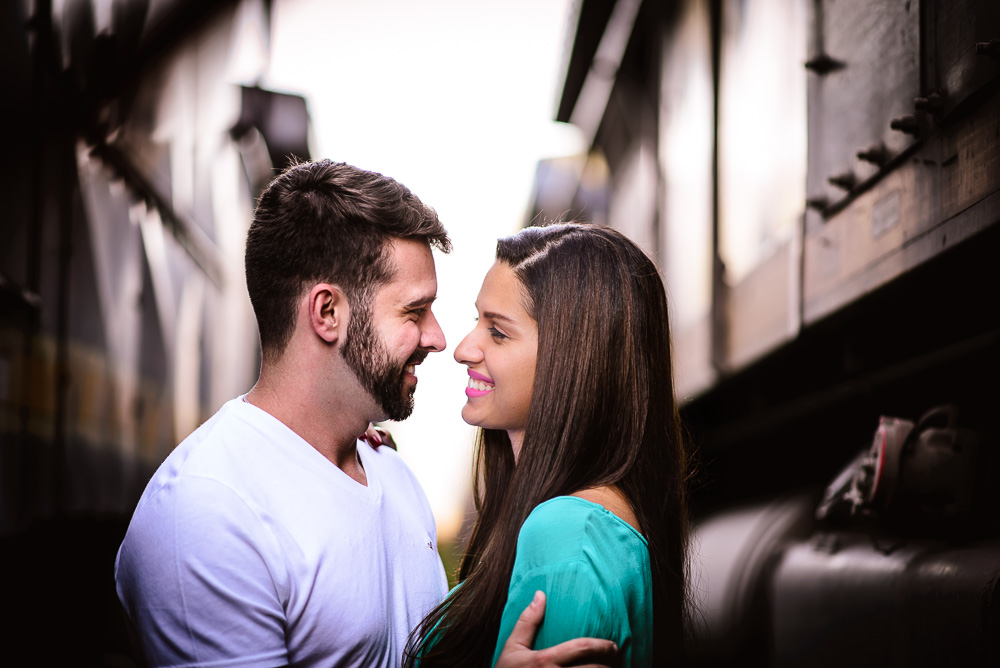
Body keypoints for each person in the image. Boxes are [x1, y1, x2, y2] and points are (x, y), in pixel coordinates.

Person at [114, 161, 617, 668]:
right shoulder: (208, 512)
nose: (439, 339)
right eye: (414, 312)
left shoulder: (390, 472)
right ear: (327, 313)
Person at [406, 223, 691, 667]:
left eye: (498, 332)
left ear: (573, 357)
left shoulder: (567, 533)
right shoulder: (585, 524)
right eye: (477, 322)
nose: (462, 349)